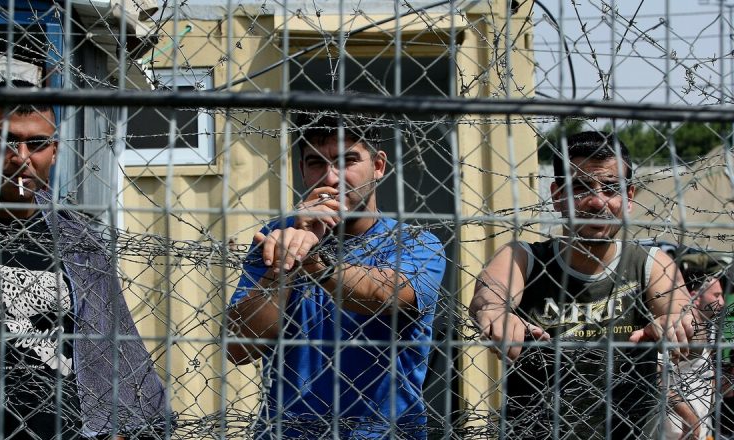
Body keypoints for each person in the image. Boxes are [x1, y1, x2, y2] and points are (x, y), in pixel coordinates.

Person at [0, 80, 168, 439]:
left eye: (37, 144)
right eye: (5, 141)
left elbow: (114, 352)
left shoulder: (80, 243)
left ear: (55, 151)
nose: (21, 157)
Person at [226, 112, 446, 438]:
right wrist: (286, 261)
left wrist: (313, 261)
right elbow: (239, 348)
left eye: (348, 161)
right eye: (316, 163)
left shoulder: (416, 243)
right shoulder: (277, 236)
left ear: (378, 166)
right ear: (302, 171)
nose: (331, 178)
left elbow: (386, 296)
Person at [469, 131, 695, 439]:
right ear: (557, 195)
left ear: (629, 197)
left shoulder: (651, 264)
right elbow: (490, 293)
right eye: (581, 187)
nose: (597, 201)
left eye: (611, 188)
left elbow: (681, 311)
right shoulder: (525, 258)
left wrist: (675, 321)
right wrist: (496, 313)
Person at [664, 253, 728, 440]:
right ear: (695, 297)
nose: (722, 302)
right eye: (716, 295)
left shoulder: (708, 329)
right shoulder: (677, 330)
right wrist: (690, 418)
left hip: (701, 431)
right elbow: (657, 379)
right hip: (677, 433)